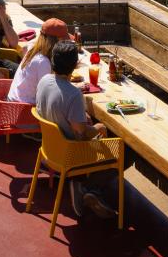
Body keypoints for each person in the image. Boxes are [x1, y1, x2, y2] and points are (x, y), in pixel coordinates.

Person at [35, 41, 119, 219]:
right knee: (123, 151)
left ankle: (88, 189)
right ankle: (84, 185)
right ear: (74, 66)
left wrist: (83, 119)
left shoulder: (43, 81)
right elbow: (81, 135)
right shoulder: (74, 95)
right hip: (70, 153)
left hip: (49, 149)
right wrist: (99, 128)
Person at [9, 18, 69, 104]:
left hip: (15, 101)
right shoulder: (43, 62)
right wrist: (69, 87)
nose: (65, 45)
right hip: (22, 108)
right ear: (55, 41)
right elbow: (46, 95)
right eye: (64, 41)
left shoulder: (32, 49)